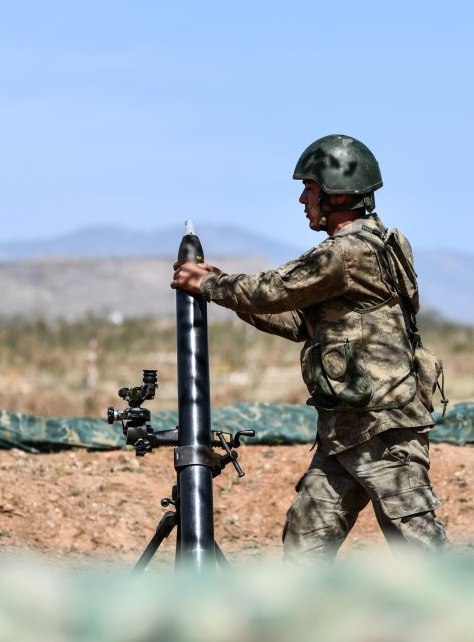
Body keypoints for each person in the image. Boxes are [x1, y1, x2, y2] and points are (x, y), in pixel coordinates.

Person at [171, 134, 448, 563]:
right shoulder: (383, 244)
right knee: (305, 544)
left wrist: (206, 283)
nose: (303, 199)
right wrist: (225, 291)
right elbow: (299, 320)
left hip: (383, 430)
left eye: (311, 189)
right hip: (345, 431)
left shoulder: (344, 254)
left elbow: (273, 290)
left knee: (421, 552)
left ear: (335, 195)